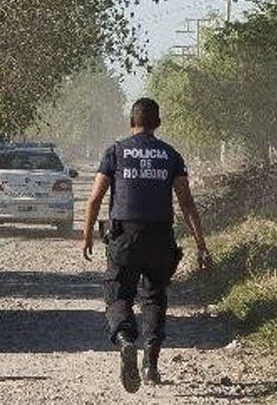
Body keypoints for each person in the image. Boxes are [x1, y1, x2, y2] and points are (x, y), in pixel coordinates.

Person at [81, 97, 213, 393]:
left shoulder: (115, 152)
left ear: (131, 122)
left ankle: (126, 340)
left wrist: (87, 234)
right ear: (158, 124)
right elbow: (187, 204)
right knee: (154, 297)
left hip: (124, 237)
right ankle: (151, 365)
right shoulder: (171, 156)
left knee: (118, 295)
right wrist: (202, 245)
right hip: (160, 237)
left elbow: (94, 199)